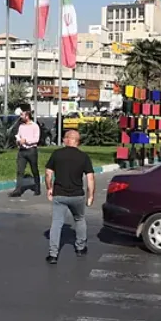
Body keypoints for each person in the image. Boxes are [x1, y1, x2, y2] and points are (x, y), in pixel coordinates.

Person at [45, 129, 95, 264]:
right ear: (77, 142)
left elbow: (48, 173)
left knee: (56, 223)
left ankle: (53, 254)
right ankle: (80, 247)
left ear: (66, 140)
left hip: (59, 194)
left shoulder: (56, 154)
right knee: (79, 219)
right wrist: (90, 196)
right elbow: (90, 178)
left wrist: (49, 188)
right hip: (77, 195)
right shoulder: (83, 157)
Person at [9, 110, 41, 197]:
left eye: (22, 115)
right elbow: (18, 135)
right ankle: (18, 190)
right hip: (22, 151)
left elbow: (36, 139)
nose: (21, 116)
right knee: (20, 171)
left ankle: (37, 188)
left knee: (34, 169)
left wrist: (26, 141)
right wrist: (18, 141)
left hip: (31, 150)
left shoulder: (35, 126)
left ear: (27, 116)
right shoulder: (21, 126)